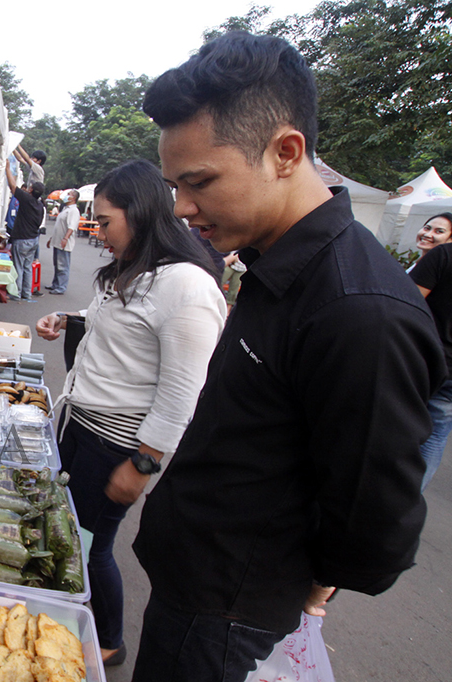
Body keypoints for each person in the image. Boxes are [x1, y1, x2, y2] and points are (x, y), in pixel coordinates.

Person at [131, 32, 445, 682]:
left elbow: (375, 533)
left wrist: (293, 577)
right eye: (174, 186)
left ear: (285, 152)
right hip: (194, 586)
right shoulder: (273, 263)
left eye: (200, 183)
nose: (183, 209)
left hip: (228, 617)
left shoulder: (359, 312)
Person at [36, 159, 225, 673]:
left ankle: (110, 640)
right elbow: (112, 330)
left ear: (140, 214)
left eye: (106, 220)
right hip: (78, 426)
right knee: (69, 531)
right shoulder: (126, 272)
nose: (100, 230)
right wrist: (67, 319)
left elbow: (183, 390)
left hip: (114, 446)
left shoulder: (186, 287)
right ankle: (66, 613)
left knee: (90, 544)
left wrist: (143, 463)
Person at [410, 225, 452, 489]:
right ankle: (408, 503)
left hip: (424, 358)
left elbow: (409, 304)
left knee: (390, 424)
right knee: (436, 434)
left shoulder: (443, 256)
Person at [4, 159, 45, 302]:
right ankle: (26, 293)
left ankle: (16, 292)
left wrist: (8, 169)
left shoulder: (27, 200)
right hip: (33, 240)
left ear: (31, 190)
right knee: (27, 267)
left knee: (18, 266)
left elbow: (12, 187)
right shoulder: (40, 206)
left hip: (22, 239)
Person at [46, 189, 80, 294]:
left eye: (69, 194)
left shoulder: (73, 211)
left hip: (63, 243)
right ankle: (56, 284)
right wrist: (52, 238)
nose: (67, 196)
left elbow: (72, 227)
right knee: (57, 264)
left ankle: (61, 287)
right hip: (57, 241)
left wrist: (65, 238)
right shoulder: (65, 209)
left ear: (73, 198)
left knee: (62, 265)